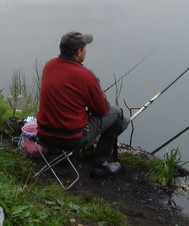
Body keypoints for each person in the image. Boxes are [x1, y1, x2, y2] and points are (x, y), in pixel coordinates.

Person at [36, 31, 130, 178]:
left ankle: (56, 151)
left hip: (43, 135)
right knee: (118, 114)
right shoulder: (85, 75)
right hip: (71, 139)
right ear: (79, 52)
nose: (86, 51)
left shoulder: (50, 65)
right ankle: (100, 165)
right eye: (85, 48)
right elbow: (101, 110)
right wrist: (101, 95)